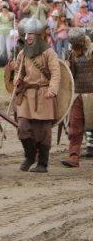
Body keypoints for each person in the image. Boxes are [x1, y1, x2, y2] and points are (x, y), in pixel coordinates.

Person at [11, 18, 61, 173]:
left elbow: (56, 73)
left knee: (43, 133)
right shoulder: (22, 53)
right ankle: (30, 156)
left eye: (32, 34)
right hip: (26, 95)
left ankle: (42, 163)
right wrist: (16, 80)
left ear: (39, 35)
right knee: (23, 128)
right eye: (27, 34)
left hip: (44, 94)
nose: (29, 36)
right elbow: (18, 72)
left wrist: (52, 90)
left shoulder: (49, 52)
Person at [62, 28, 93, 167]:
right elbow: (70, 76)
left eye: (77, 45)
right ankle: (74, 156)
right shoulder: (71, 54)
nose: (75, 48)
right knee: (74, 126)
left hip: (92, 94)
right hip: (77, 95)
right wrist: (67, 66)